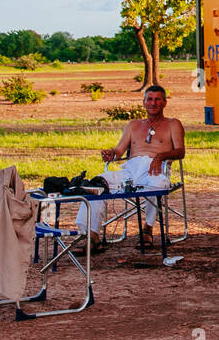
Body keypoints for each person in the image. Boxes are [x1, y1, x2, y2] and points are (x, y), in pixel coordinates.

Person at [76, 84, 184, 249]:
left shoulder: (173, 124)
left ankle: (148, 229)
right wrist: (110, 153)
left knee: (158, 184)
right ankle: (92, 237)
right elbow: (119, 151)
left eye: (157, 100)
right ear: (144, 102)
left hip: (155, 168)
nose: (153, 103)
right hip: (130, 170)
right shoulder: (134, 125)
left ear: (164, 103)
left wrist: (161, 156)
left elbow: (180, 152)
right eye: (149, 99)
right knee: (95, 185)